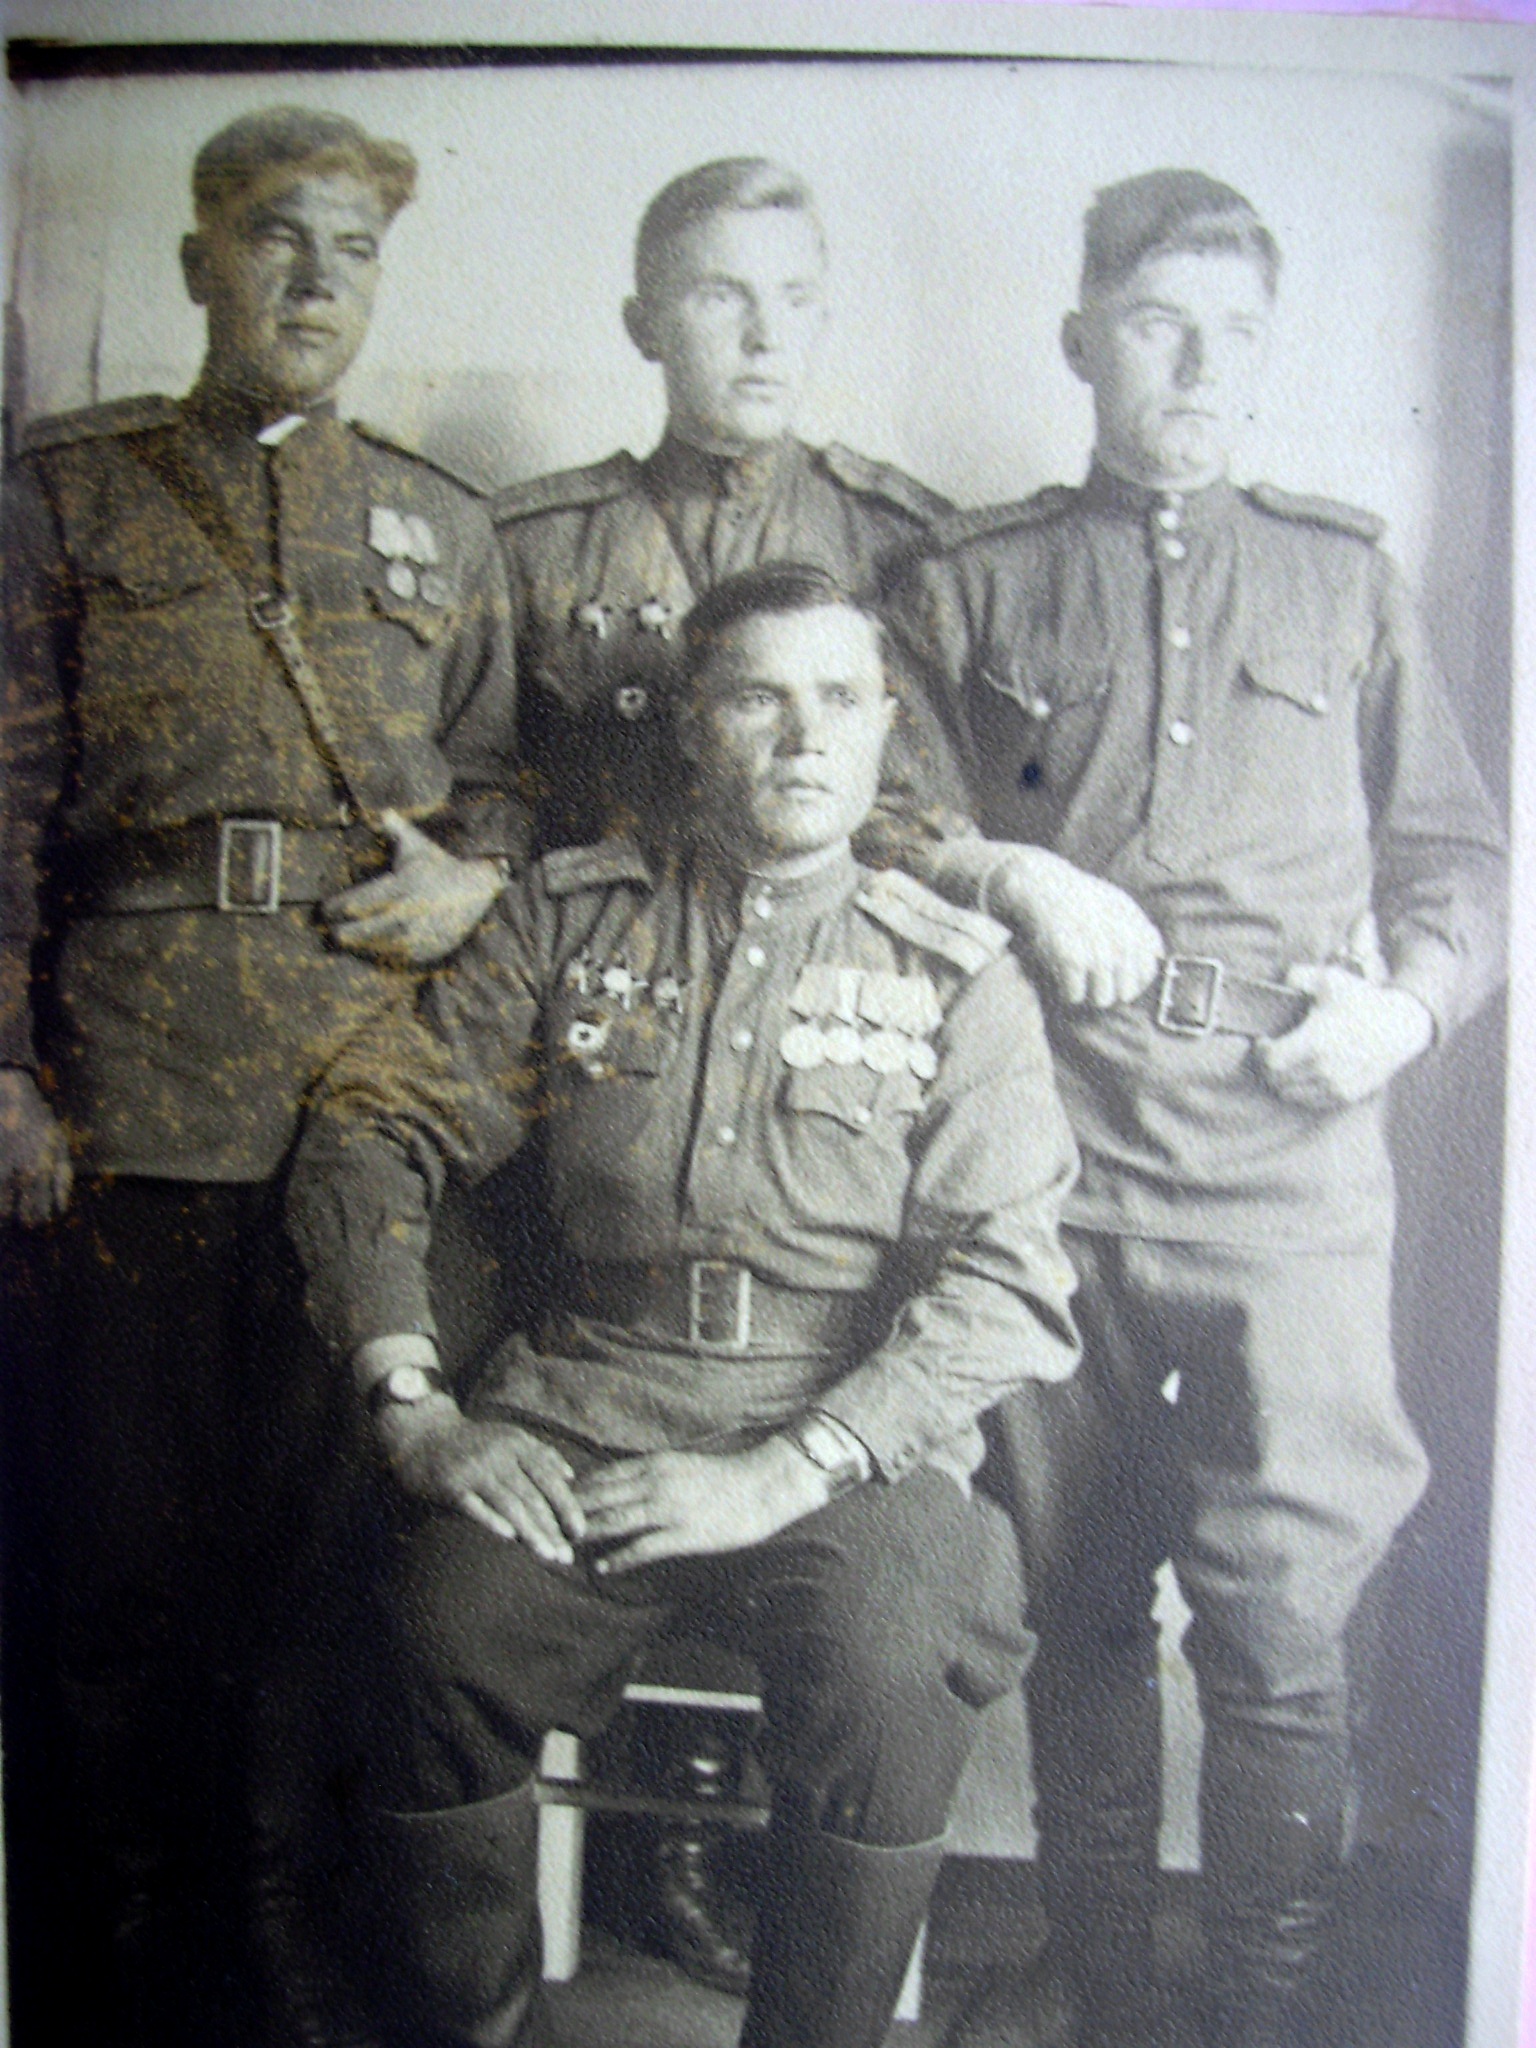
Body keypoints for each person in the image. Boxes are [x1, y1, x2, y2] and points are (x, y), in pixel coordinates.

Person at [282, 561, 1083, 2048]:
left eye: (840, 699)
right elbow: (372, 1127)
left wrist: (784, 1471)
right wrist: (414, 1407)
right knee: (433, 1623)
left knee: (904, 1658)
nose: (805, 736)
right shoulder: (568, 920)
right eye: (758, 698)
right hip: (592, 1402)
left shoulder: (959, 975)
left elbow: (1009, 1278)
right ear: (691, 725)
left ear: (885, 726)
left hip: (848, 1436)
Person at [887, 171, 1507, 2048]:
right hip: (1049, 1138)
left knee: (1282, 1615)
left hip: (1289, 1157)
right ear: (1084, 338)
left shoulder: (1343, 578)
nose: (1200, 367)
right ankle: (1096, 1993)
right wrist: (1011, 871)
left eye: (1237, 333)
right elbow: (882, 813)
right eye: (1161, 325)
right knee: (1071, 1588)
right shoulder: (973, 579)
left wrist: (1405, 1010)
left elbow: (1461, 857)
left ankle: (1258, 2017)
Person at [0, 106, 524, 2045]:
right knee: (121, 1599)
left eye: (354, 250)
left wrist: (476, 874)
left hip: (358, 1118)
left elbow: (508, 788)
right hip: (126, 1109)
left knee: (329, 1607)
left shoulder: (447, 526)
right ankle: (125, 2004)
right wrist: (1, 1067)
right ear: (199, 263)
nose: (316, 281)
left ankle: (305, 2003)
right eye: (278, 239)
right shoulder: (67, 496)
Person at [482, 153, 970, 1984]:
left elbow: (933, 811)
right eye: (716, 295)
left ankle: (711, 1835)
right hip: (584, 1059)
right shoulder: (540, 542)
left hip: (822, 1054)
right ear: (645, 321)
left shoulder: (907, 541)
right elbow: (481, 780)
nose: (762, 335)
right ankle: (598, 1847)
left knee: (866, 1522)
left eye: (794, 299)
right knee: (511, 1482)